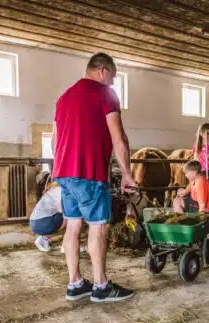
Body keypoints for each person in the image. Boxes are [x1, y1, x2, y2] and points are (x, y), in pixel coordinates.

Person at [52, 52, 137, 303]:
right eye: (112, 77)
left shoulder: (63, 98)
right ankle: (101, 286)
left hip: (64, 172)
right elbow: (119, 139)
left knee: (73, 224)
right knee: (99, 225)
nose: (113, 82)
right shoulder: (105, 94)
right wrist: (127, 175)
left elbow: (55, 140)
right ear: (102, 70)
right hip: (89, 172)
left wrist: (60, 168)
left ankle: (75, 283)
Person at [30, 181, 65, 252]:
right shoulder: (62, 189)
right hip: (42, 222)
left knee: (70, 216)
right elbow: (61, 209)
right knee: (72, 218)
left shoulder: (54, 188)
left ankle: (44, 239)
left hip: (34, 222)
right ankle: (67, 246)